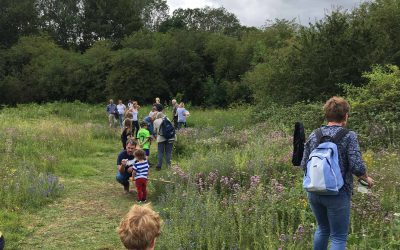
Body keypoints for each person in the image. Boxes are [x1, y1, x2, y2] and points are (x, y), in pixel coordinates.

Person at [300, 96, 374, 250]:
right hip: (338, 193)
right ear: (345, 116)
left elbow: (303, 164)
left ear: (326, 114)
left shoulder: (315, 134)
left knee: (322, 229)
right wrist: (366, 179)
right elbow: (357, 166)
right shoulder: (349, 135)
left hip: (314, 191)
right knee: (338, 237)